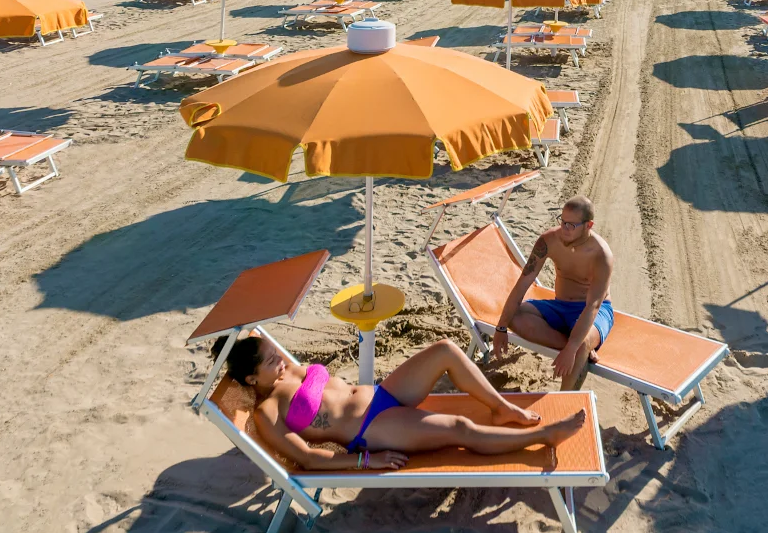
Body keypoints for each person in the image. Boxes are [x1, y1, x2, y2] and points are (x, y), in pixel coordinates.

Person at [219, 335, 580, 472]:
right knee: (459, 429)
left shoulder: (291, 369)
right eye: (270, 362)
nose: (279, 361)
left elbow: (253, 336)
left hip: (381, 394)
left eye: (274, 354)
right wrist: (365, 460)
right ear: (251, 379)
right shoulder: (269, 413)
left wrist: (249, 342)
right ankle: (545, 436)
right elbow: (307, 458)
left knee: (445, 350)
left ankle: (502, 407)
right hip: (371, 430)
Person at [492, 196, 615, 390]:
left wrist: (574, 348)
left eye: (571, 225)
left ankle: (565, 401)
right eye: (562, 221)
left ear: (588, 225)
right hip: (560, 306)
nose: (564, 229)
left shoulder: (601, 254)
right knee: (513, 318)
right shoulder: (549, 240)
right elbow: (523, 282)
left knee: (581, 344)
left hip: (593, 310)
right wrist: (500, 328)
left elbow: (594, 305)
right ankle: (579, 347)